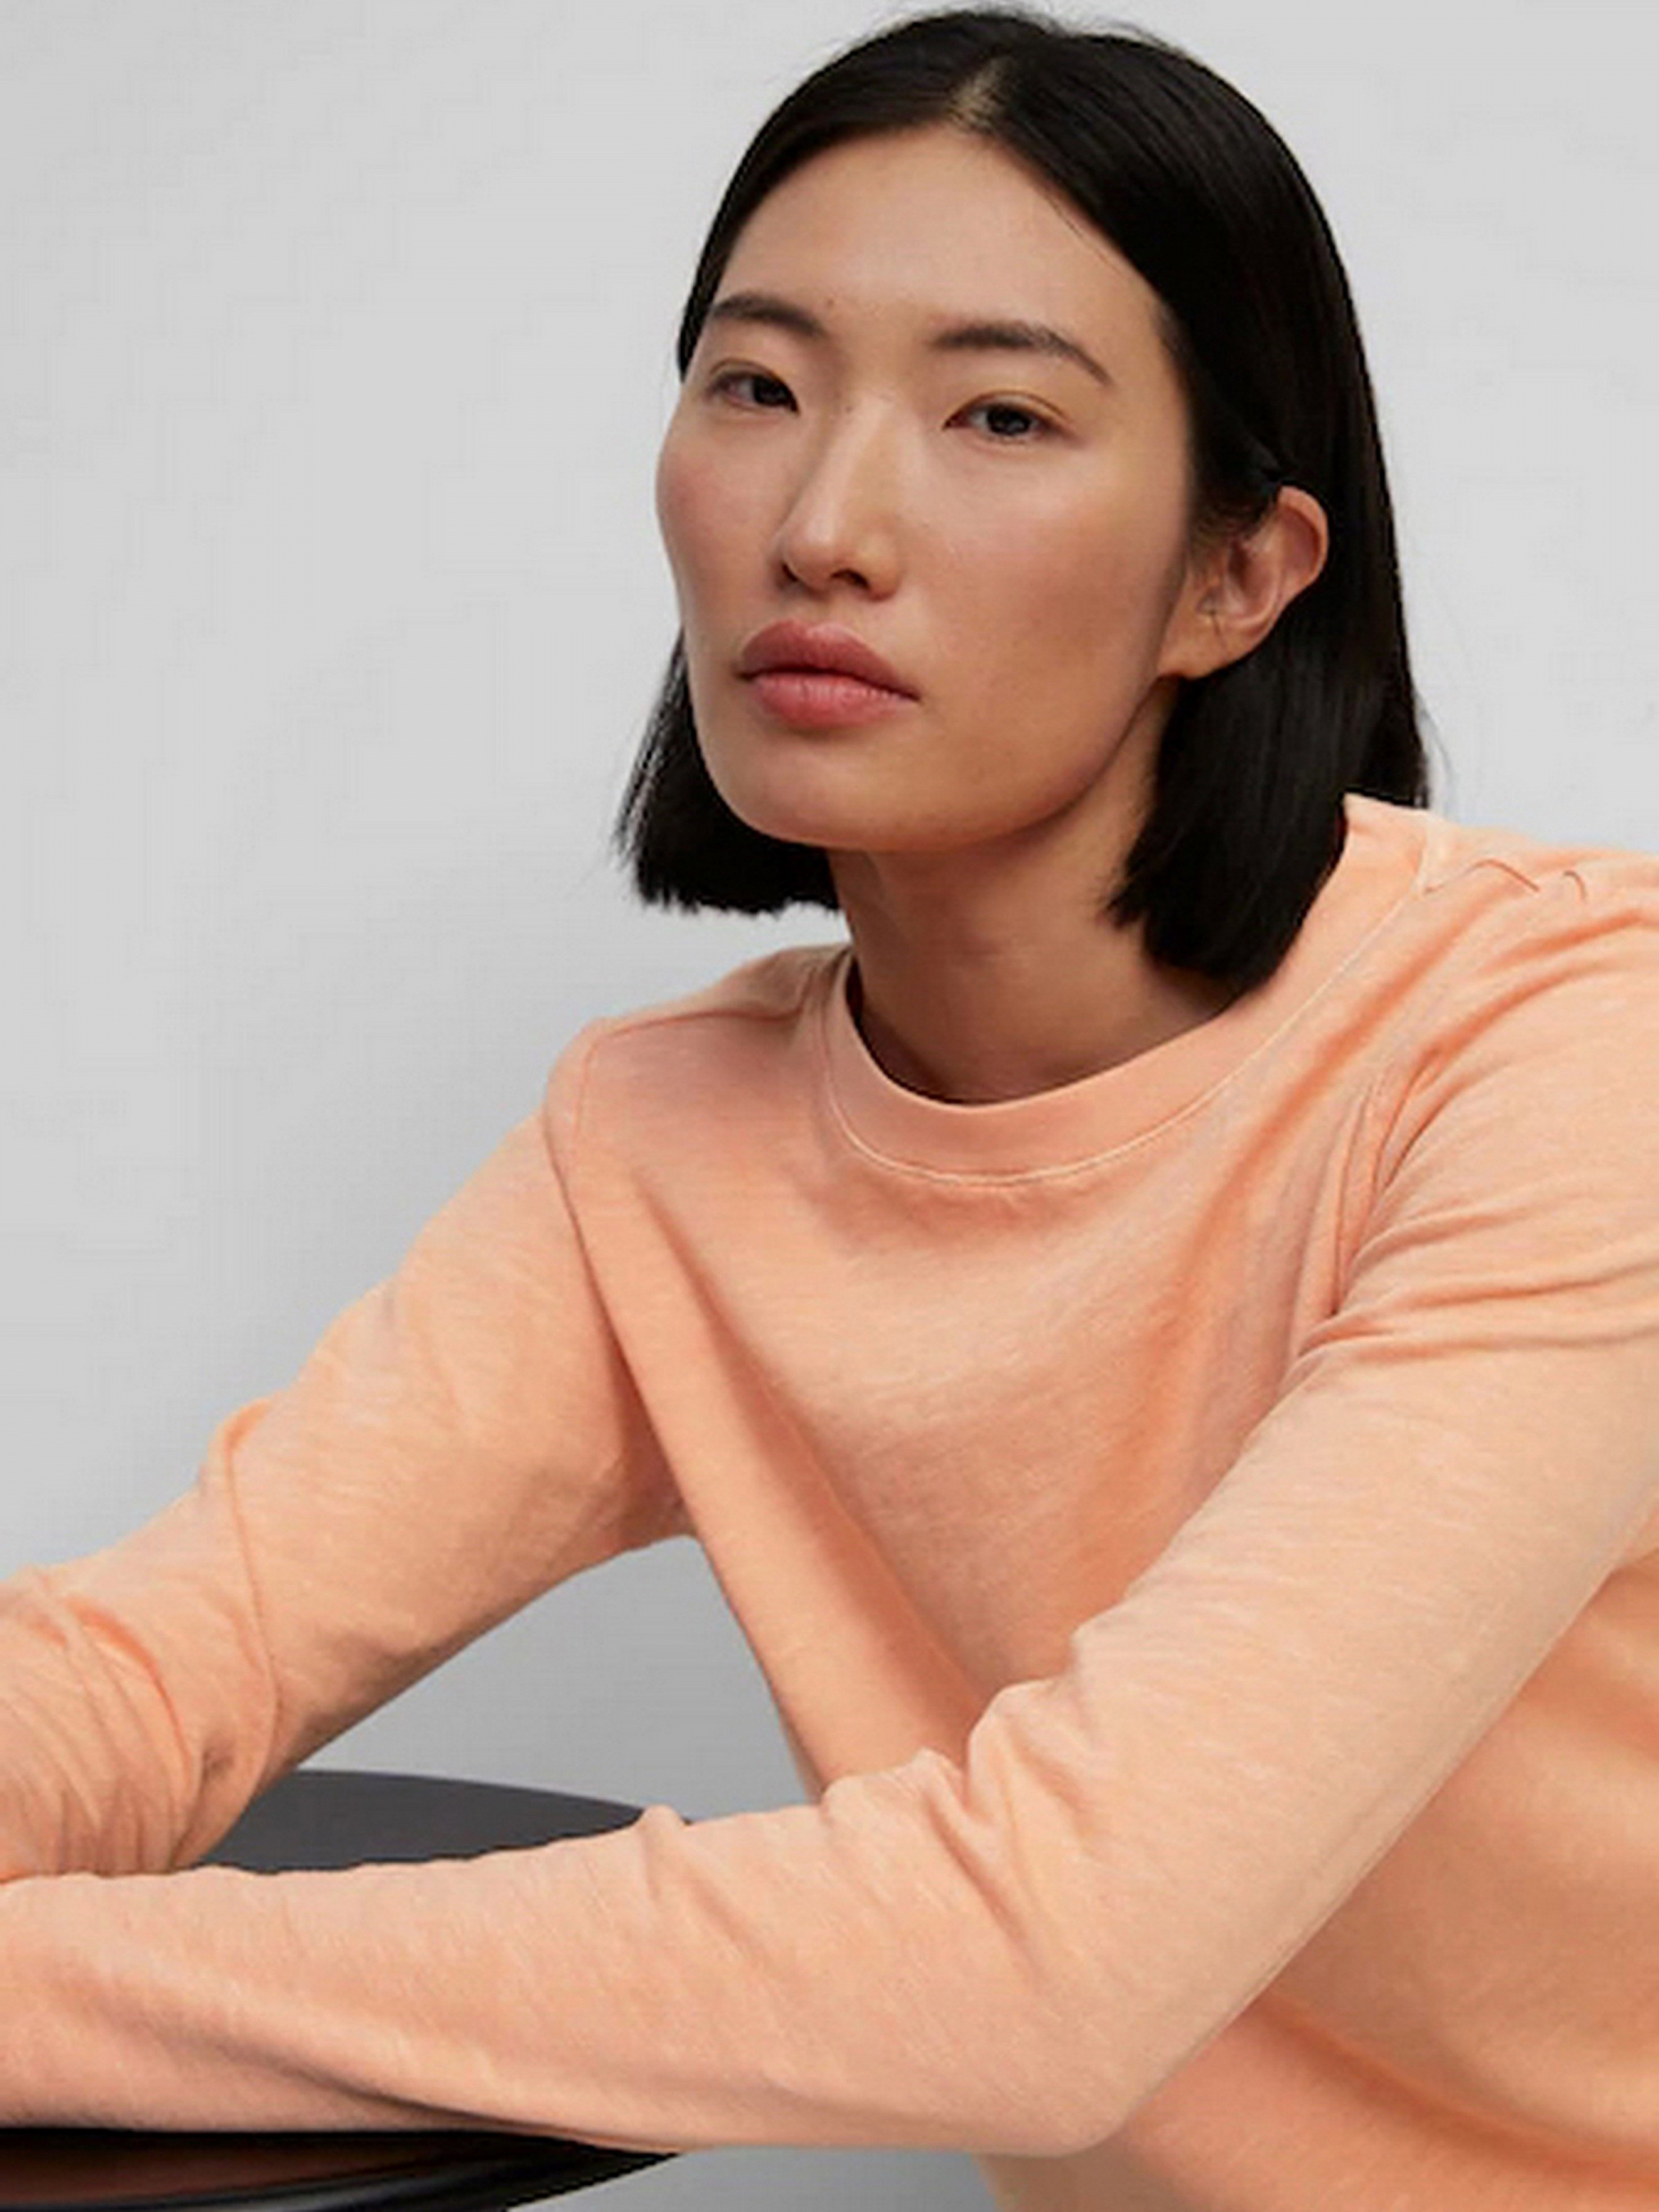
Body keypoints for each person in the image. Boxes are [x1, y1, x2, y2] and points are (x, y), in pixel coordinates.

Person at [3, 8, 1658, 2210]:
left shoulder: (1572, 1047)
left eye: (1000, 415)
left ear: (1237, 576)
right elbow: (153, 1670)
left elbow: (1043, 1953)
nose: (823, 525)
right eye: (756, 386)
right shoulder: (664, 1140)